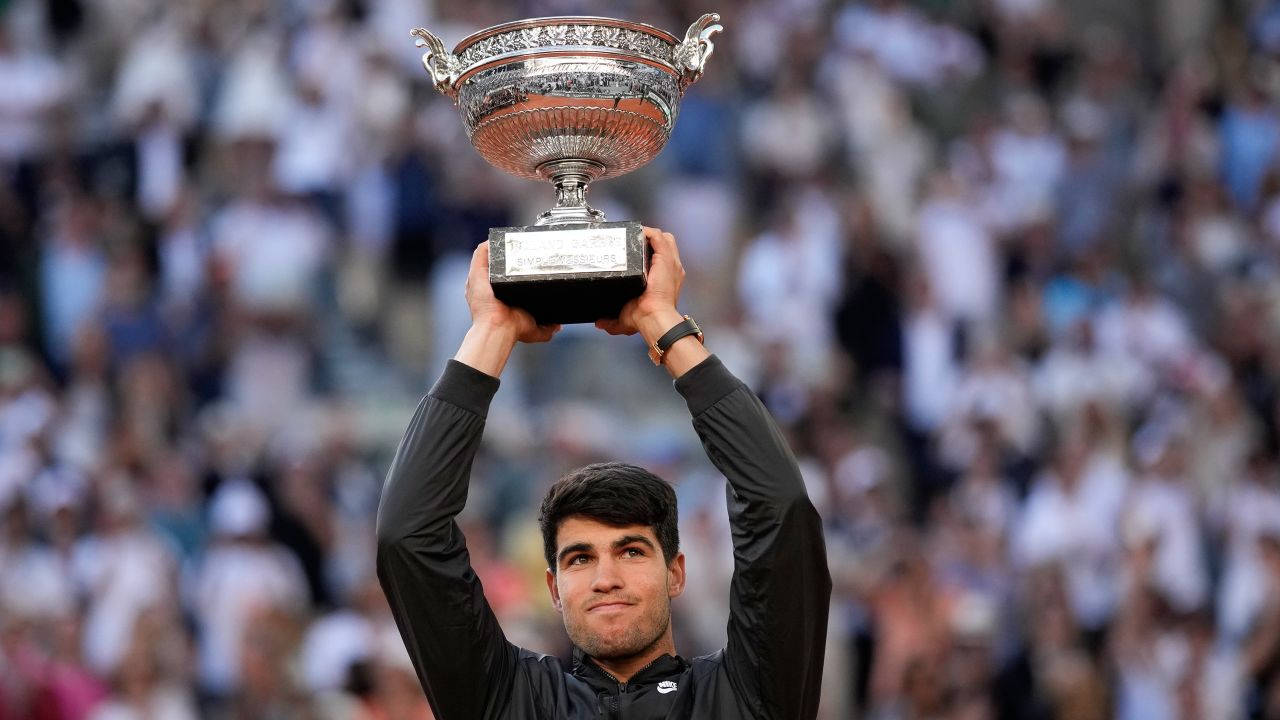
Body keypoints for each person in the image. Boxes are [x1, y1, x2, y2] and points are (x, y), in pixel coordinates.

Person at [376, 227, 831, 718]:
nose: (605, 578)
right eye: (578, 559)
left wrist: (663, 322)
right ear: (553, 589)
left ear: (675, 572)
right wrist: (491, 330)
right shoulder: (509, 699)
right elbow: (408, 534)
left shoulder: (747, 695)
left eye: (631, 551)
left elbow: (779, 506)